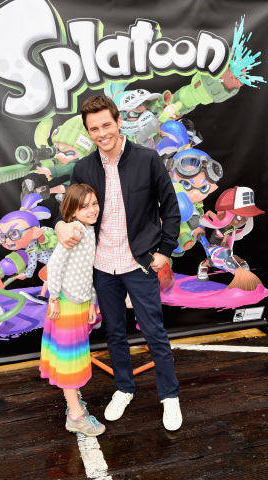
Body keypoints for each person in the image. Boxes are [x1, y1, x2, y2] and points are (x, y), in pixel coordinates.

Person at [54, 95, 183, 431]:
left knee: (154, 332)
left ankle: (170, 396)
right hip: (101, 266)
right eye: (93, 128)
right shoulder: (83, 168)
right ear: (88, 131)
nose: (101, 133)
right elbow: (69, 211)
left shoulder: (147, 159)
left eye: (106, 125)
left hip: (139, 264)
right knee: (114, 333)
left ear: (119, 121)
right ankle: (124, 388)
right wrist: (60, 225)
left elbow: (170, 209)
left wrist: (165, 251)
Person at [40, 183, 106, 437]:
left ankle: (73, 402)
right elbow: (54, 267)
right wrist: (54, 299)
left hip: (79, 302)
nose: (92, 210)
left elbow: (90, 272)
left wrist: (91, 302)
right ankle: (76, 415)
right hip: (66, 304)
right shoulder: (76, 230)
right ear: (72, 210)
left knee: (75, 356)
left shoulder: (90, 230)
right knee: (70, 360)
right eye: (84, 206)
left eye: (95, 204)